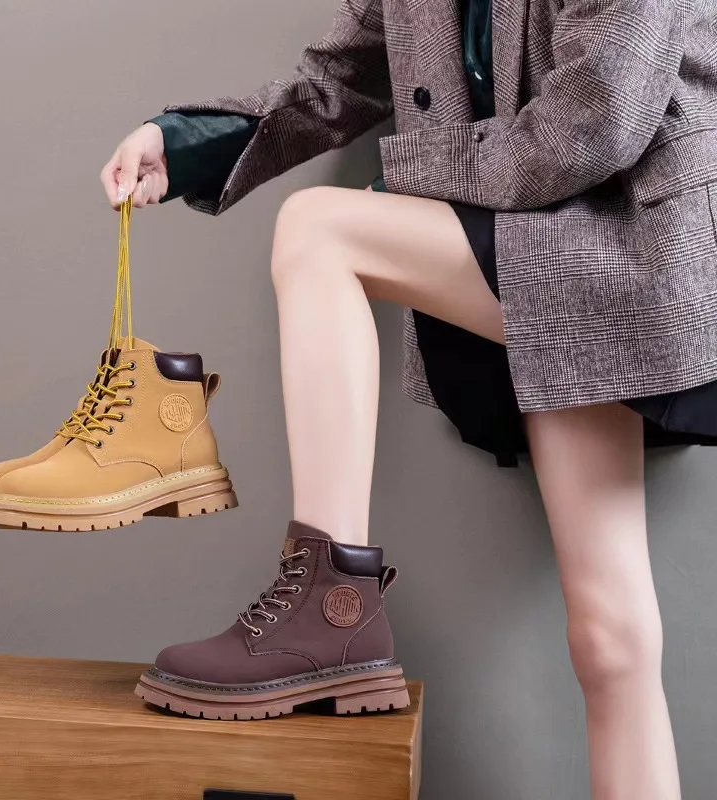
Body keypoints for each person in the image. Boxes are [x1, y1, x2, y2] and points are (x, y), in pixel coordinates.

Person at [102, 0, 717, 796]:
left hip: (628, 247)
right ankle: (329, 605)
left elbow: (594, 123)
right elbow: (334, 83)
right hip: (536, 259)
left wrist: (406, 176)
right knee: (612, 641)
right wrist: (180, 143)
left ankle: (329, 600)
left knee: (319, 229)